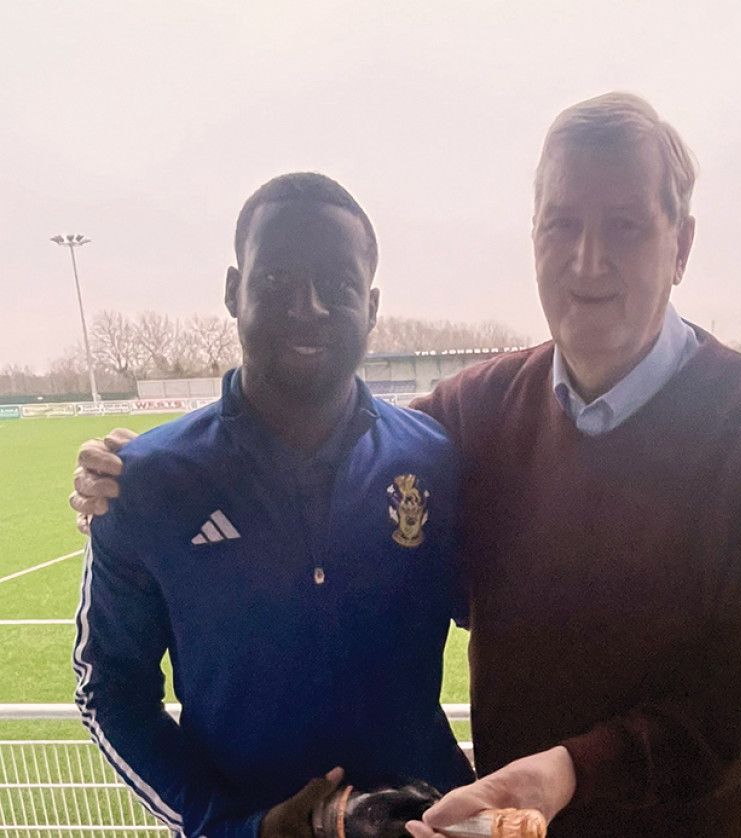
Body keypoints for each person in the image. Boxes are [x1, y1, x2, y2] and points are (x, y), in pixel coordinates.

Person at [73, 93, 741, 838]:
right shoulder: (472, 417)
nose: (588, 257)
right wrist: (135, 471)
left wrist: (570, 771)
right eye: (562, 223)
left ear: (683, 244)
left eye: (627, 226)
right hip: (500, 827)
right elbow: (321, 439)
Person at [71, 172, 474, 838]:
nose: (307, 307)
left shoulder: (431, 458)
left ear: (371, 306)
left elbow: (501, 609)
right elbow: (109, 689)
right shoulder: (146, 481)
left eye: (337, 287)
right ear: (233, 291)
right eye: (276, 281)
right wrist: (235, 826)